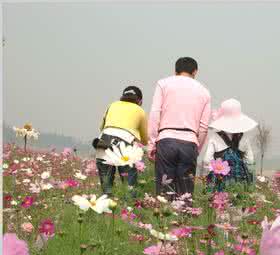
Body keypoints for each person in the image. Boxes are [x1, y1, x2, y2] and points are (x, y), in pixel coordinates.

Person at [148, 57, 211, 197]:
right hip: (190, 142)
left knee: (165, 190)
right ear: (195, 72)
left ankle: (164, 217)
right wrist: (197, 148)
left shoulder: (163, 84)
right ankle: (186, 217)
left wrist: (152, 143)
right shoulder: (204, 91)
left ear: (175, 70)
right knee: (185, 193)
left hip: (166, 140)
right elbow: (204, 127)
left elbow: (155, 114)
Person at [94, 86, 148, 196]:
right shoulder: (140, 111)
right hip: (125, 144)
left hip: (103, 141)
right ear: (140, 101)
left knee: (106, 189)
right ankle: (129, 210)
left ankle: (107, 209)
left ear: (122, 97)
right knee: (129, 188)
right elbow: (145, 139)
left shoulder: (112, 105)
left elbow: (102, 128)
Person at [203, 98, 257, 191]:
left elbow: (207, 159)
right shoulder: (244, 138)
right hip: (240, 179)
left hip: (220, 179)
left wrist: (212, 172)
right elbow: (250, 160)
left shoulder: (215, 137)